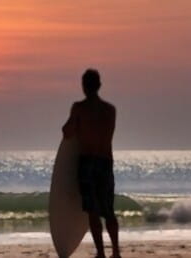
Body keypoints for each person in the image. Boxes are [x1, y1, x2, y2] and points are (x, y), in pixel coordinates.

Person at [62, 69, 120, 258]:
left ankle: (101, 253)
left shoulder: (79, 108)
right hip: (105, 162)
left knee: (93, 212)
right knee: (109, 210)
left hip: (87, 163)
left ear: (84, 86)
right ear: (99, 85)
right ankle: (116, 252)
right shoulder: (110, 110)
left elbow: (67, 132)